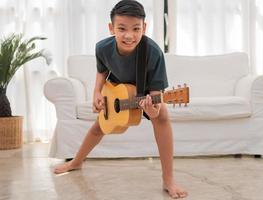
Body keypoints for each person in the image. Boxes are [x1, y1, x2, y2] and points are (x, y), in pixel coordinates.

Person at [53, 0, 188, 198]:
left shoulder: (153, 52)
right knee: (99, 126)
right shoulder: (102, 47)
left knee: (162, 116)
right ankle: (76, 162)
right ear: (111, 28)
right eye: (122, 28)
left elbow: (156, 96)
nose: (129, 35)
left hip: (146, 92)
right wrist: (97, 92)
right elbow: (102, 70)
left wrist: (153, 110)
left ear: (145, 28)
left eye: (136, 29)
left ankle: (168, 179)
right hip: (116, 90)